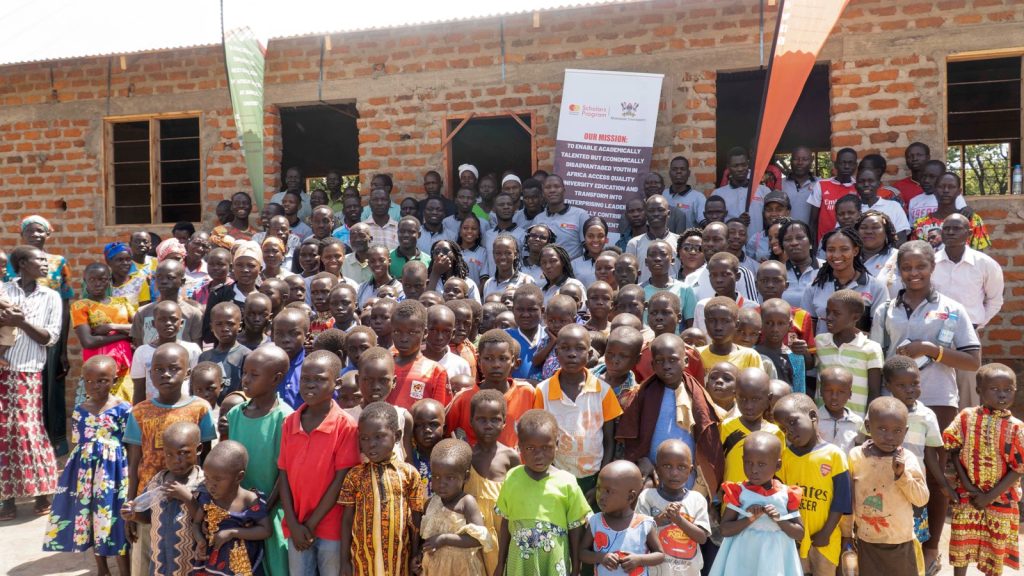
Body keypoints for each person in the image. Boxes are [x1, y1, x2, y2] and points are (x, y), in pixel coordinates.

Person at [870, 240, 981, 569]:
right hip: (893, 405)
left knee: (933, 475)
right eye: (907, 268)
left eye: (921, 267)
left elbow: (973, 360)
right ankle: (895, 540)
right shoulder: (886, 309)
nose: (914, 273)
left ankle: (931, 548)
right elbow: (877, 359)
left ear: (933, 268)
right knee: (893, 471)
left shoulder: (952, 309)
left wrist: (931, 350)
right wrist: (877, 400)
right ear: (899, 271)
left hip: (937, 402)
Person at [123, 343, 216, 573]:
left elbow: (206, 458)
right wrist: (132, 507)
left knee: (186, 560)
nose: (165, 374)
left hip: (190, 500)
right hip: (148, 503)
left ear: (187, 372)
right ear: (150, 373)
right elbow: (134, 462)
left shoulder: (200, 409)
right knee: (146, 562)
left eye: (173, 368)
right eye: (158, 369)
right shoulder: (139, 412)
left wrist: (204, 503)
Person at [42, 356, 130, 574]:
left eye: (102, 380)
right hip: (86, 475)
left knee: (116, 518)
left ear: (113, 379)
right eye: (89, 381)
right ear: (83, 381)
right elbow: (78, 445)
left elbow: (130, 442)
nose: (96, 386)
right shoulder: (80, 410)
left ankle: (125, 569)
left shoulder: (123, 408)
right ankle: (102, 568)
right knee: (91, 518)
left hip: (115, 474)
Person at [277, 350, 359, 574]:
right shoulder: (290, 422)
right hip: (297, 527)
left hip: (330, 527)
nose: (310, 385)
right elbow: (283, 475)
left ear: (337, 383)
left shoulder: (346, 426)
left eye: (319, 379)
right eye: (305, 379)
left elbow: (341, 480)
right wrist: (293, 524)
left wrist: (310, 525)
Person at [0, 245, 65, 520]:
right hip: (2, 369)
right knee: (3, 436)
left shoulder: (51, 297)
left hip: (28, 372)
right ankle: (7, 499)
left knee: (28, 432)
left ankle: (43, 491)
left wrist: (21, 322)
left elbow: (49, 338)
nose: (46, 263)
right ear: (22, 264)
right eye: (39, 259)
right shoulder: (4, 291)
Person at [941, 363, 1024, 576]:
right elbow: (953, 448)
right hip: (968, 495)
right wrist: (967, 485)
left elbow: (1019, 467)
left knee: (994, 548)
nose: (1002, 395)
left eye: (1008, 389)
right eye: (994, 389)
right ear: (979, 391)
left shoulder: (1016, 427)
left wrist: (990, 496)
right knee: (962, 542)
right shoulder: (966, 417)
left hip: (1001, 498)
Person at [619, 334, 724, 495]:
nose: (666, 366)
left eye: (673, 360)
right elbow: (632, 436)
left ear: (686, 361)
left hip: (688, 476)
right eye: (660, 361)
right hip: (651, 471)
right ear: (653, 365)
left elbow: (707, 439)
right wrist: (642, 459)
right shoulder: (643, 395)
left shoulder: (697, 396)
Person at [221, 345, 293, 576]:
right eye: (245, 372)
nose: (246, 380)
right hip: (237, 514)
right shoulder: (235, 414)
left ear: (276, 379)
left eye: (255, 374)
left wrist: (260, 512)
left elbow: (285, 474)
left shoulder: (285, 418)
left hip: (269, 515)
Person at [494, 409, 591, 575]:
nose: (539, 455)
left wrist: (576, 568)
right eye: (531, 448)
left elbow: (575, 529)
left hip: (553, 562)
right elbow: (505, 523)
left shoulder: (567, 481)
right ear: (520, 447)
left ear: (557, 445)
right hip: (519, 563)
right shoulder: (512, 477)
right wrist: (500, 563)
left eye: (547, 448)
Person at [533, 324, 622, 496]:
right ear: (556, 354)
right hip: (556, 474)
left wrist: (601, 482)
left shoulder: (603, 391)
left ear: (589, 354)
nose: (572, 354)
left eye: (579, 348)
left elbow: (609, 440)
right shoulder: (543, 391)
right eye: (565, 348)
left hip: (593, 476)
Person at [338, 402, 424, 576]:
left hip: (400, 563)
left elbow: (416, 519)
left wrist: (415, 554)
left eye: (379, 436)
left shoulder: (410, 474)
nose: (371, 444)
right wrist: (344, 561)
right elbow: (347, 521)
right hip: (363, 564)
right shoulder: (355, 475)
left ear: (397, 436)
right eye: (365, 438)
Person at [847, 396, 930, 574]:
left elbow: (921, 498)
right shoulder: (856, 457)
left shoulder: (907, 459)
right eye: (882, 429)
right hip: (867, 540)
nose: (889, 437)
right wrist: (848, 532)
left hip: (900, 541)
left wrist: (901, 474)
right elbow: (849, 499)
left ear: (905, 431)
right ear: (868, 427)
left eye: (897, 431)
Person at [773, 394, 851, 576]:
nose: (789, 432)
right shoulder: (785, 457)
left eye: (793, 422)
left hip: (826, 540)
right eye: (784, 429)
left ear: (813, 416)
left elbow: (841, 501)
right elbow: (781, 498)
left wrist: (826, 532)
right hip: (795, 540)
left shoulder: (834, 455)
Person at [933, 213, 1004, 408]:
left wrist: (974, 326)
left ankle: (966, 436)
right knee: (935, 388)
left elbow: (995, 300)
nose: (950, 232)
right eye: (946, 229)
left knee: (968, 391)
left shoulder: (985, 264)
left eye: (956, 229)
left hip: (967, 338)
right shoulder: (930, 262)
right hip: (933, 334)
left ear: (969, 233)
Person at [709, 431, 804, 575]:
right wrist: (750, 519)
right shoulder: (738, 492)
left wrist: (779, 520)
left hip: (776, 559)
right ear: (742, 460)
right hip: (743, 558)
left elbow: (799, 534)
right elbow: (725, 530)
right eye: (748, 463)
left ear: (777, 465)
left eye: (761, 464)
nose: (754, 470)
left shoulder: (787, 494)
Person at [121, 421, 205, 576]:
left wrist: (187, 497)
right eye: (169, 454)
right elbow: (149, 517)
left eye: (183, 453)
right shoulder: (157, 481)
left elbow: (205, 522)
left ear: (198, 449)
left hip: (190, 566)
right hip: (160, 565)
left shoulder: (203, 484)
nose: (176, 460)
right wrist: (133, 514)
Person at [463, 390, 521, 574]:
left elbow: (516, 497)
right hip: (473, 536)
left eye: (495, 419)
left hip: (502, 534)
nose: (488, 425)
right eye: (481, 419)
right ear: (471, 422)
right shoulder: (466, 457)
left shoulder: (510, 457)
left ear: (504, 422)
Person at [191, 441, 271, 575]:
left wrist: (233, 533)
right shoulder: (208, 498)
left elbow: (266, 530)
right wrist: (200, 540)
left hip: (241, 567)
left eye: (217, 479)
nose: (210, 485)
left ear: (239, 477)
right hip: (211, 566)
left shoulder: (250, 500)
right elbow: (196, 523)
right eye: (207, 477)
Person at [634, 440, 710, 576]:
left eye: (681, 467)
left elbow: (702, 538)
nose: (674, 473)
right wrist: (659, 519)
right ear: (657, 469)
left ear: (690, 471)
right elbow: (638, 533)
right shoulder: (647, 497)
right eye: (667, 466)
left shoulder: (697, 499)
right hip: (654, 572)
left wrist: (678, 520)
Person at [418, 438, 493, 576]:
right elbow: (426, 538)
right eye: (436, 476)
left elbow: (478, 539)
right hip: (436, 568)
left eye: (450, 478)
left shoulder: (466, 503)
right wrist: (419, 556)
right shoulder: (431, 503)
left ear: (465, 477)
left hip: (462, 568)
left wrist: (444, 539)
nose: (442, 483)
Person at [580, 460, 665, 574]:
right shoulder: (596, 521)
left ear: (631, 496)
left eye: (608, 491)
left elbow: (660, 555)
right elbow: (583, 553)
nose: (601, 496)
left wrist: (639, 559)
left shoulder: (644, 524)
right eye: (599, 488)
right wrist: (601, 557)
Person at [802, 228, 887, 335]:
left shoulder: (876, 288)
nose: (837, 255)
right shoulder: (813, 288)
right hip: (823, 351)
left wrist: (849, 334)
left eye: (844, 249)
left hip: (862, 351)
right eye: (831, 249)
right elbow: (807, 331)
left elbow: (880, 333)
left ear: (855, 251)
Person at [71, 263, 136, 402]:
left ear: (109, 280)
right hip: (97, 368)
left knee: (124, 407)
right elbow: (88, 342)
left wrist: (110, 327)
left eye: (102, 279)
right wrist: (124, 335)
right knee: (96, 410)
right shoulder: (80, 306)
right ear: (85, 281)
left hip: (124, 366)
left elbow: (139, 328)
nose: (98, 284)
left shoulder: (122, 302)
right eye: (92, 280)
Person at [814, 289, 884, 416]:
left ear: (855, 317)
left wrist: (868, 424)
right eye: (828, 312)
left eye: (836, 313)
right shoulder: (820, 342)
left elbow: (874, 392)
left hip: (856, 423)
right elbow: (808, 366)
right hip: (823, 421)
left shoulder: (871, 348)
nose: (829, 317)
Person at [720, 368, 786, 484]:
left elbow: (779, 472)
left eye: (755, 399)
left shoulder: (775, 433)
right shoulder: (725, 427)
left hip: (763, 500)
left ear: (768, 399)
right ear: (735, 396)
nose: (748, 406)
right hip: (732, 499)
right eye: (743, 399)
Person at [130, 301, 201, 403]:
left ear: (181, 323)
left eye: (173, 319)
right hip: (152, 411)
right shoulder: (142, 352)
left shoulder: (192, 350)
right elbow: (138, 390)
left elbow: (197, 385)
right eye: (162, 319)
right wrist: (137, 415)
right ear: (153, 324)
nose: (168, 323)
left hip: (185, 408)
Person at [389, 299, 451, 409]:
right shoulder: (384, 366)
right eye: (397, 332)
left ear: (425, 333)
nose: (404, 339)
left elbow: (439, 414)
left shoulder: (435, 371)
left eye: (412, 332)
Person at [130, 259, 203, 348]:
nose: (163, 281)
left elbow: (197, 349)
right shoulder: (142, 312)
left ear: (182, 282)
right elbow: (139, 346)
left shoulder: (193, 313)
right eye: (159, 277)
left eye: (170, 278)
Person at [912, 172, 990, 251]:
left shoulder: (972, 220)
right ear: (934, 191)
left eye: (951, 187)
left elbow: (978, 256)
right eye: (941, 187)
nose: (946, 190)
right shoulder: (920, 224)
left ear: (959, 191)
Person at [698, 296, 764, 372]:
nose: (718, 327)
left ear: (736, 324)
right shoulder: (696, 355)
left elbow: (757, 383)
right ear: (706, 323)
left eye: (725, 321)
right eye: (712, 321)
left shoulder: (750, 356)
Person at [533, 174, 590, 260]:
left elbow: (589, 248)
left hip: (572, 271)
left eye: (556, 186)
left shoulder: (580, 215)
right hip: (546, 270)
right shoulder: (538, 219)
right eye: (548, 187)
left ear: (564, 190)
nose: (552, 190)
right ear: (543, 193)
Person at [809, 147, 857, 243]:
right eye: (843, 162)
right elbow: (813, 221)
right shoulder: (822, 185)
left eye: (850, 163)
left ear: (856, 165)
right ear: (836, 164)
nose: (846, 166)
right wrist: (813, 245)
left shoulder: (858, 187)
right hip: (824, 244)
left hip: (851, 242)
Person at [629, 195, 681, 283]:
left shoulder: (679, 241)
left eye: (660, 210)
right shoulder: (634, 243)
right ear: (646, 214)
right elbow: (630, 275)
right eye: (651, 211)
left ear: (668, 214)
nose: (656, 214)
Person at [816, 366, 865, 454]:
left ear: (850, 394)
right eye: (828, 391)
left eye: (841, 392)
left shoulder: (857, 422)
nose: (834, 397)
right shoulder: (814, 420)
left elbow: (858, 452)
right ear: (821, 392)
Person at [856, 167, 910, 242]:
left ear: (879, 184)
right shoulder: (851, 209)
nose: (866, 184)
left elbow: (901, 238)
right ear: (855, 185)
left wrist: (886, 253)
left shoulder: (894, 206)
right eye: (861, 181)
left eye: (871, 181)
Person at [665, 156, 706, 229]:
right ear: (670, 173)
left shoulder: (698, 197)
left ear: (688, 173)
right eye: (675, 169)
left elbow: (704, 223)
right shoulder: (663, 195)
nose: (678, 172)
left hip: (687, 239)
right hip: (665, 240)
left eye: (682, 169)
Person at [782, 146, 819, 225]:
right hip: (785, 235)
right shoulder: (780, 184)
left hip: (811, 235)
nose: (800, 163)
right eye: (796, 159)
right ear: (791, 160)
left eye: (805, 159)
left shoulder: (820, 184)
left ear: (811, 161)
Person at [570, 216, 609, 287]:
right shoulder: (574, 265)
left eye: (600, 236)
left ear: (606, 238)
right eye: (590, 236)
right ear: (584, 238)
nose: (596, 240)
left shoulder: (613, 261)